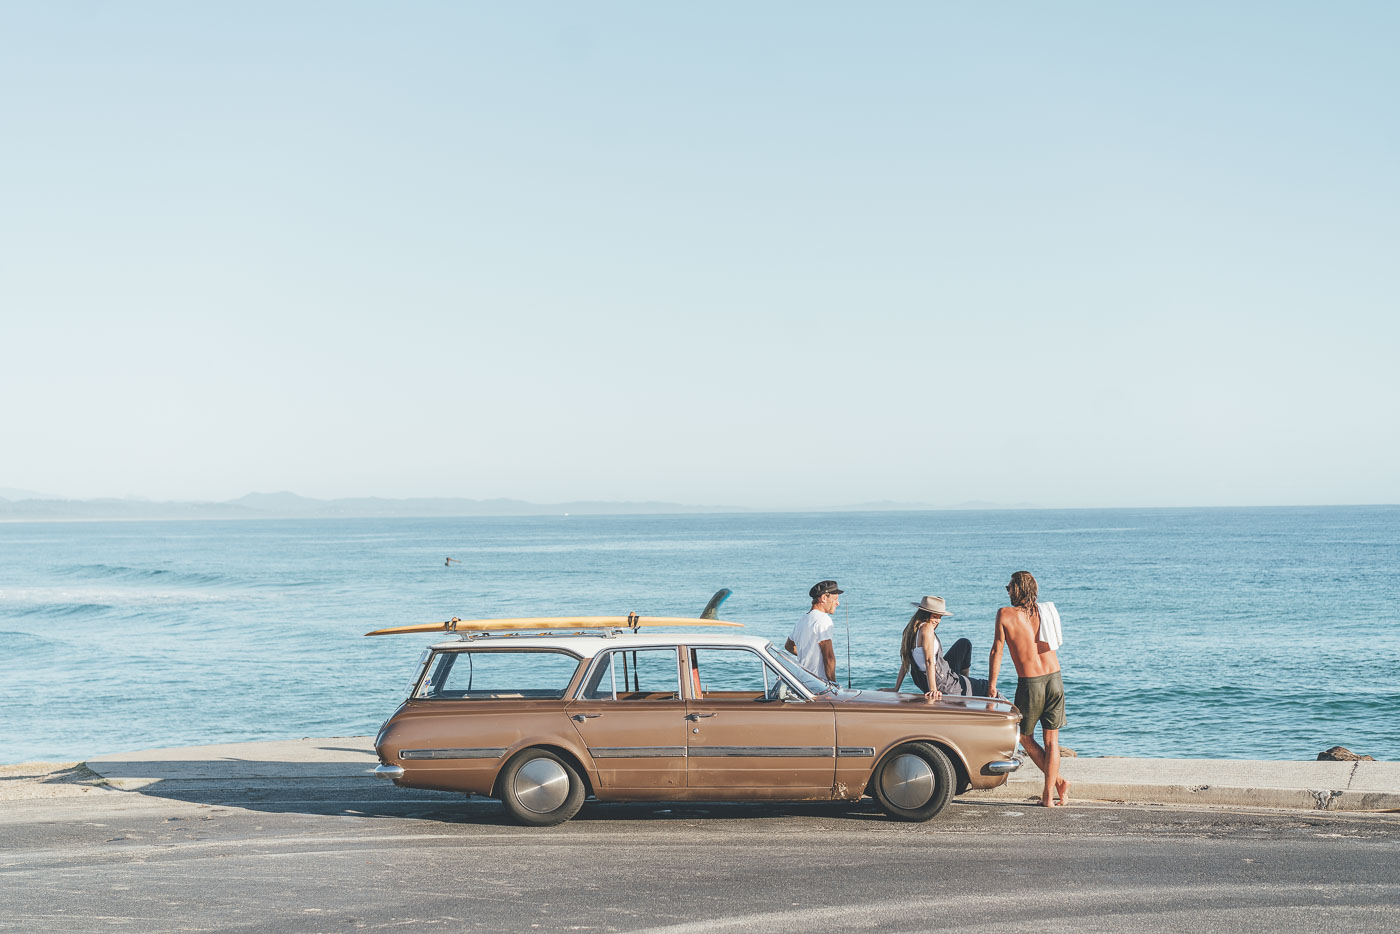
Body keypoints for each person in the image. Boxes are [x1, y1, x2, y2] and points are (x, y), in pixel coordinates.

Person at [988, 570, 1070, 807]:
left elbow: (997, 650)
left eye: (1009, 587)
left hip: (1031, 682)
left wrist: (992, 685)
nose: (1007, 590)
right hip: (1055, 678)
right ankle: (1050, 795)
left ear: (1019, 589)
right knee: (1052, 741)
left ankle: (1058, 784)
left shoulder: (1005, 614)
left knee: (1024, 736)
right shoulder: (1046, 612)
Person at [892, 596, 993, 699]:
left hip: (936, 675)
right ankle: (961, 688)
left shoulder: (912, 631)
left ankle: (962, 682)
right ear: (925, 614)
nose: (938, 621)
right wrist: (933, 689)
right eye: (935, 616)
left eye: (940, 617)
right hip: (943, 682)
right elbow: (929, 660)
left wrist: (896, 688)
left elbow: (905, 662)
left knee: (964, 643)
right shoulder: (927, 628)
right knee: (987, 686)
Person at [786, 580, 841, 681]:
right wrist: (834, 687)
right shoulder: (823, 619)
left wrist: (807, 655)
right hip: (818, 685)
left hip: (804, 682)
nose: (838, 603)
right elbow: (829, 658)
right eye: (835, 599)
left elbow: (789, 647)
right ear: (824, 598)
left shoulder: (801, 620)